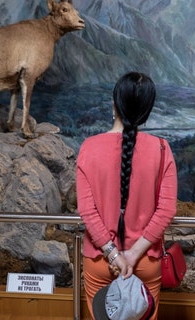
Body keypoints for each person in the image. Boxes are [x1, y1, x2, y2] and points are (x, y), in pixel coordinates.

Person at [76, 71, 177, 319]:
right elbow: (166, 211)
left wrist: (114, 254)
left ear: (114, 103)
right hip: (144, 262)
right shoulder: (162, 149)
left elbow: (87, 213)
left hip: (100, 260)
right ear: (146, 110)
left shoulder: (89, 147)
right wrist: (132, 255)